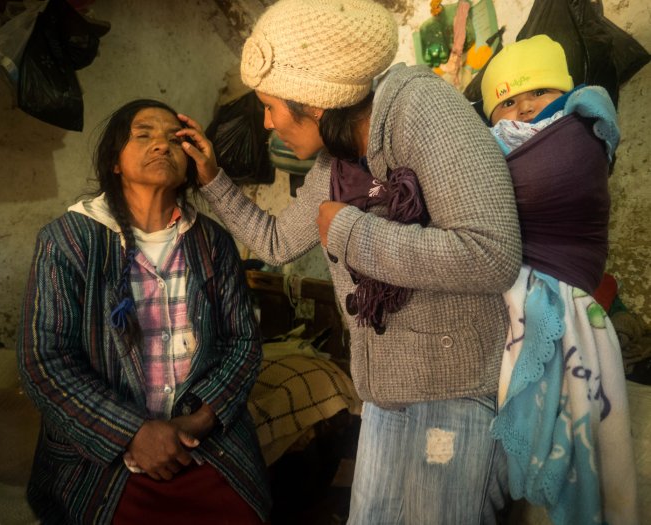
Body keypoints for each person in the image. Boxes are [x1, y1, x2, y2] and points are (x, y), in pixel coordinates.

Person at [178, 0, 522, 523]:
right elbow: (275, 242)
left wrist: (351, 231)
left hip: (451, 390)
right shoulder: (337, 159)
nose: (268, 124)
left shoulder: (423, 109)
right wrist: (212, 181)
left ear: (313, 102)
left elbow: (491, 254)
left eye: (270, 106)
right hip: (384, 392)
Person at [16, 99, 271, 524]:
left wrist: (199, 421)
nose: (161, 145)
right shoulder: (69, 240)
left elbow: (243, 343)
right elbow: (44, 361)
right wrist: (131, 432)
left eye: (174, 139)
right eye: (144, 135)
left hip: (202, 446)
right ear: (114, 161)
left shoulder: (213, 243)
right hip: (104, 456)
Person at [480, 35, 639, 524]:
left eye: (540, 93)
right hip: (512, 296)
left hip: (563, 294)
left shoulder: (578, 134)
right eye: (507, 101)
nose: (525, 108)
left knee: (579, 423)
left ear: (566, 94)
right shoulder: (487, 148)